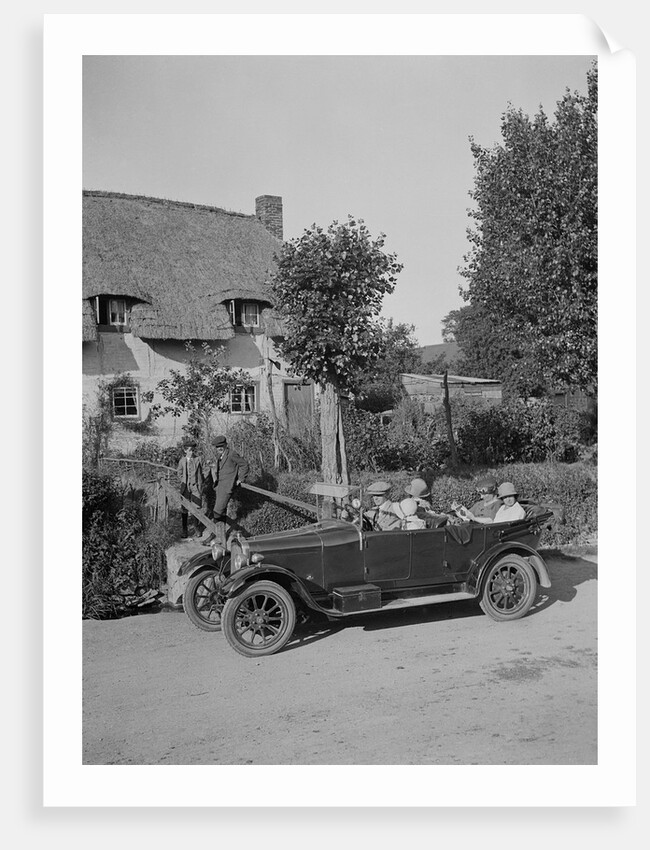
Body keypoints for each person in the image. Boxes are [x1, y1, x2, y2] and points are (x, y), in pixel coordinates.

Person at [202, 434, 249, 547]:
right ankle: (219, 537)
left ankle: (214, 535)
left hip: (227, 487)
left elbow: (244, 465)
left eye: (221, 446)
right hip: (220, 487)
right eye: (217, 447)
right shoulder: (220, 456)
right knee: (220, 512)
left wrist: (240, 479)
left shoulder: (232, 454)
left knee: (217, 512)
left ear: (225, 445)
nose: (219, 448)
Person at [176, 438, 203, 539]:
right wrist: (183, 480)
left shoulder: (198, 459)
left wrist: (200, 484)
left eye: (193, 450)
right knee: (184, 508)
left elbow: (202, 472)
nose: (192, 452)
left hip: (195, 487)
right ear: (185, 450)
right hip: (185, 488)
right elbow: (179, 472)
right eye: (190, 450)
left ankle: (197, 528)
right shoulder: (182, 461)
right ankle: (184, 530)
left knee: (196, 507)